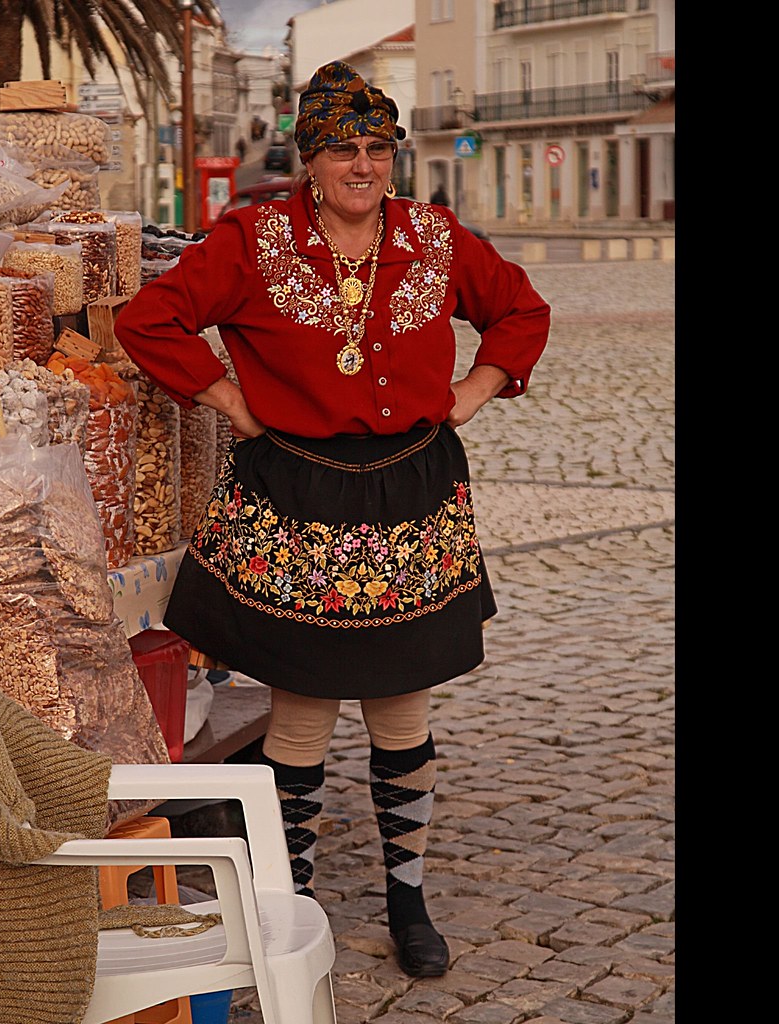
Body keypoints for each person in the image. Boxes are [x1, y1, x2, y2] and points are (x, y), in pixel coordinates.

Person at [114, 60, 550, 979]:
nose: (363, 164)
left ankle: (407, 894)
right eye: (343, 148)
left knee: (401, 701)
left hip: (409, 496)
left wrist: (474, 388)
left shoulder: (435, 237)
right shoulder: (249, 238)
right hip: (294, 496)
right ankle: (294, 895)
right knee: (302, 705)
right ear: (308, 157)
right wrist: (227, 402)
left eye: (377, 147)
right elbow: (151, 321)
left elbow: (519, 309)